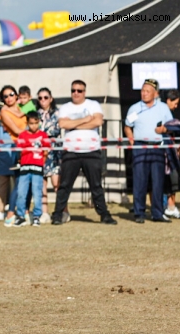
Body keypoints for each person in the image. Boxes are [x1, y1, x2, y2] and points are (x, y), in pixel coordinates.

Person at [52, 80, 117, 225]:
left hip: (91, 150)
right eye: (73, 90)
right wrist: (86, 120)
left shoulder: (93, 104)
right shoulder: (66, 107)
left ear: (84, 92)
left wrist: (73, 124)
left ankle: (104, 214)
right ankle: (57, 214)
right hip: (71, 151)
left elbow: (98, 121)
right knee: (65, 185)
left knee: (96, 186)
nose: (76, 93)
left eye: (79, 90)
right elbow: (63, 124)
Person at [124, 79, 172, 224]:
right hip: (140, 147)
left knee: (158, 180)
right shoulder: (135, 108)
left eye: (147, 91)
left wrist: (164, 129)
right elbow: (127, 126)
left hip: (157, 146)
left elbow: (171, 126)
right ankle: (139, 212)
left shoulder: (163, 108)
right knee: (140, 180)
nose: (144, 94)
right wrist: (131, 140)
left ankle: (157, 213)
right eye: (142, 91)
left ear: (155, 93)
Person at [0, 85, 27, 227]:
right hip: (17, 148)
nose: (9, 98)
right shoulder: (4, 112)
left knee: (29, 181)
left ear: (16, 95)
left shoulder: (23, 108)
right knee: (19, 181)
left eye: (11, 94)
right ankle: (10, 212)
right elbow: (16, 130)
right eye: (5, 96)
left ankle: (24, 211)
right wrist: (32, 133)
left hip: (29, 146)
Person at [14, 111, 50, 227]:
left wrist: (41, 164)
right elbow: (19, 152)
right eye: (31, 123)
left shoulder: (43, 135)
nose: (34, 126)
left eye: (36, 123)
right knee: (21, 192)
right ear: (27, 123)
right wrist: (21, 161)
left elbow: (46, 152)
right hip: (25, 168)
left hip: (37, 169)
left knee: (37, 192)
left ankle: (36, 216)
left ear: (39, 122)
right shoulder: (23, 135)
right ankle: (20, 216)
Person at [36, 87, 63, 223]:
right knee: (42, 184)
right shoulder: (35, 114)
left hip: (54, 151)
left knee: (57, 183)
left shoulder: (58, 113)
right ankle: (44, 212)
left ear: (51, 99)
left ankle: (63, 211)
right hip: (40, 151)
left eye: (45, 97)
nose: (43, 100)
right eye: (40, 98)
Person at [163, 89, 180, 218]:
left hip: (171, 149)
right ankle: (169, 206)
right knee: (170, 179)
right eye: (175, 103)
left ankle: (170, 206)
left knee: (172, 179)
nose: (176, 106)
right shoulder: (164, 113)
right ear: (169, 100)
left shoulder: (167, 113)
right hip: (165, 152)